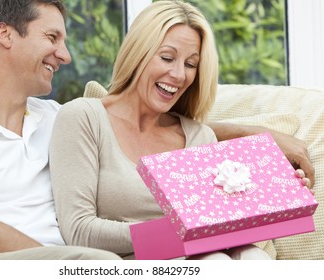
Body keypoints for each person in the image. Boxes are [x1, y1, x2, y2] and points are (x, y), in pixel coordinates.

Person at [49, 0, 312, 260]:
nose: (178, 75)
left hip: (208, 260)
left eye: (191, 64)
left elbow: (223, 229)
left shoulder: (199, 137)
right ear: (137, 53)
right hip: (130, 264)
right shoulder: (84, 118)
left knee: (251, 257)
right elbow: (78, 230)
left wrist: (282, 193)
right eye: (167, 57)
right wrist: (184, 233)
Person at [0, 0, 121, 260]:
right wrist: (72, 265)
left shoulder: (57, 118)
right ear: (5, 34)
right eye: (52, 37)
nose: (65, 56)